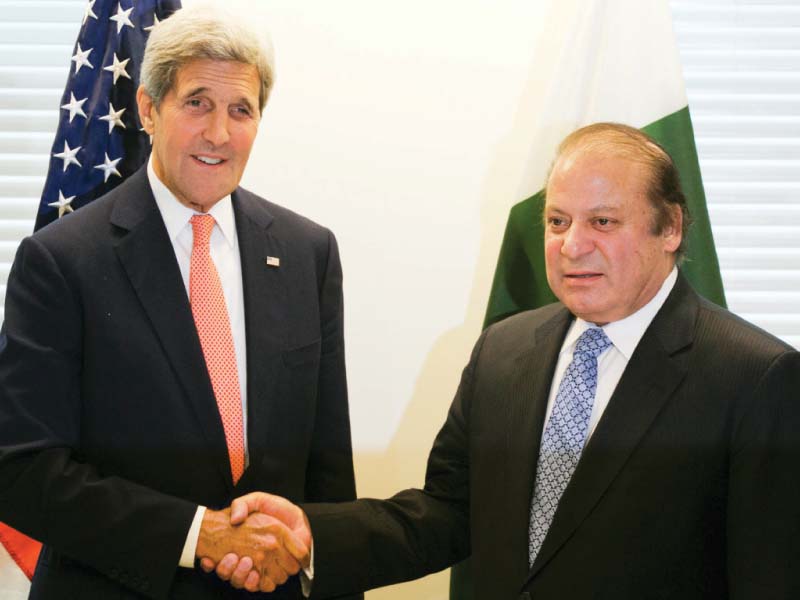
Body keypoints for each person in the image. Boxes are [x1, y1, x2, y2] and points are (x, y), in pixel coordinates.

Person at [215, 123, 800, 599]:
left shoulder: (755, 378)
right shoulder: (504, 349)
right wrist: (312, 533)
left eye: (603, 221)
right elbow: (447, 512)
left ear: (669, 227)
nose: (572, 246)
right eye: (557, 221)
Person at [0, 6, 360, 599]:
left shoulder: (307, 253)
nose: (219, 132)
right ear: (148, 108)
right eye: (197, 102)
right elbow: (23, 468)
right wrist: (198, 535)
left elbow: (328, 468)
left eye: (240, 110)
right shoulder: (61, 261)